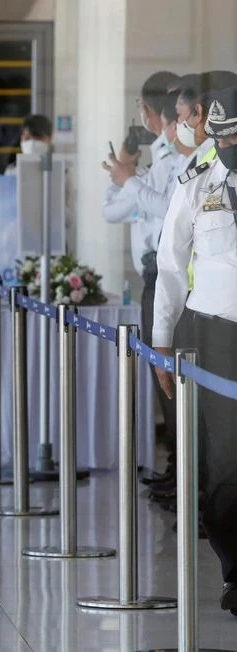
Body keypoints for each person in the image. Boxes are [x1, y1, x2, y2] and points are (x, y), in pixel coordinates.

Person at [152, 85, 237, 616]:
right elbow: (169, 263)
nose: (229, 146)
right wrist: (162, 338)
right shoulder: (196, 183)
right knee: (226, 458)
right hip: (218, 334)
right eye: (222, 138)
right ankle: (235, 570)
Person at [101, 72, 185, 461]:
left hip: (172, 274)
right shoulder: (158, 160)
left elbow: (169, 209)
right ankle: (176, 467)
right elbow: (111, 211)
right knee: (161, 371)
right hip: (154, 275)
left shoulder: (177, 158)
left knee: (172, 371)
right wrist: (125, 172)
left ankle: (184, 469)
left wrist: (130, 182)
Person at [0, 114, 53, 179]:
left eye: (38, 138)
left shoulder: (56, 170)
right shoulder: (12, 171)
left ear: (50, 138)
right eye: (27, 138)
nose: (32, 143)